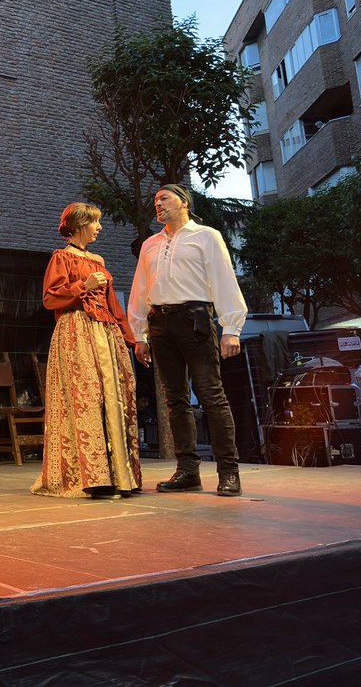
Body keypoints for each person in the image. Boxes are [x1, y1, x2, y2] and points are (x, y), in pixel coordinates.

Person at [128, 184, 248, 497]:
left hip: (195, 319)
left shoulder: (207, 236)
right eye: (155, 200)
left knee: (211, 394)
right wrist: (139, 335)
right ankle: (187, 471)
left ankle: (228, 470)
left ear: (183, 202)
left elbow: (224, 280)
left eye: (164, 198)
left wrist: (231, 328)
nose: (158, 204)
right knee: (175, 399)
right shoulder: (150, 244)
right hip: (160, 322)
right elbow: (140, 289)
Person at [32, 203, 142, 499]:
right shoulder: (61, 257)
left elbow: (112, 304)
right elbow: (50, 299)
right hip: (76, 330)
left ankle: (120, 476)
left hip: (105, 332)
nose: (99, 228)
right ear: (80, 225)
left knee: (113, 399)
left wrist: (131, 339)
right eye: (94, 222)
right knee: (87, 398)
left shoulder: (98, 260)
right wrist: (83, 285)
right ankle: (93, 478)